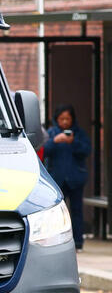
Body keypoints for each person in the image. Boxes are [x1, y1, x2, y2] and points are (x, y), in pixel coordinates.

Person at [43, 104, 92, 250]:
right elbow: (43, 151)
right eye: (61, 119)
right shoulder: (51, 133)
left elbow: (86, 150)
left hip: (75, 179)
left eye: (67, 119)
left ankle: (78, 242)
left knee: (77, 211)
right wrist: (55, 141)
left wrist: (73, 142)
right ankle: (57, 242)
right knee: (57, 213)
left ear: (72, 120)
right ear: (56, 119)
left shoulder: (79, 134)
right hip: (57, 180)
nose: (64, 122)